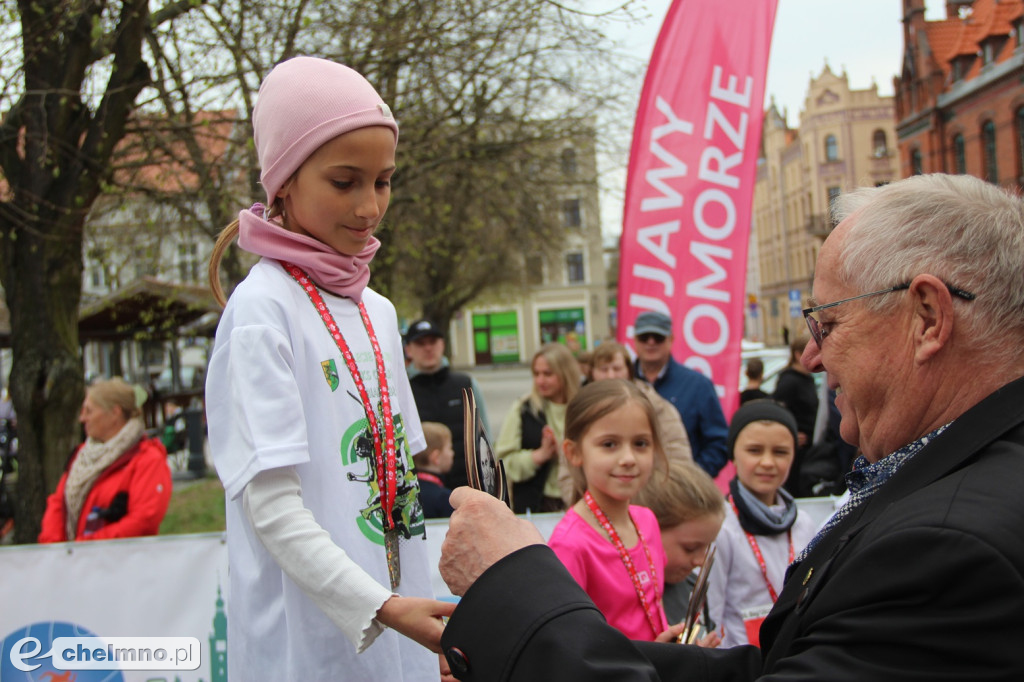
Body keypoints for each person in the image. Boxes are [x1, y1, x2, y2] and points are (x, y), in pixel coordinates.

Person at [437, 173, 1024, 680]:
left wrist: (513, 591)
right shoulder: (960, 493)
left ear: (927, 318)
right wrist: (507, 639)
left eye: (827, 323)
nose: (812, 359)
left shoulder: (949, 548)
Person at [205, 57, 452, 681]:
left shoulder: (379, 310)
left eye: (384, 181)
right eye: (345, 182)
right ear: (283, 181)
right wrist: (384, 607)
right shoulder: (262, 309)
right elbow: (275, 512)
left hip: (404, 637)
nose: (370, 207)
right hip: (310, 650)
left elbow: (398, 488)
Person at [546, 379, 673, 641]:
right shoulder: (570, 545)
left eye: (640, 443)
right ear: (574, 452)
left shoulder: (646, 520)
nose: (628, 459)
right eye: (609, 444)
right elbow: (569, 646)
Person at [707, 400, 816, 648]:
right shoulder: (721, 526)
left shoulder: (804, 524)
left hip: (790, 654)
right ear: (733, 453)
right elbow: (712, 611)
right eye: (754, 451)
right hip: (738, 663)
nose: (767, 462)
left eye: (780, 452)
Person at [38, 378, 171, 542]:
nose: (82, 418)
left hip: (119, 562)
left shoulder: (147, 460)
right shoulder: (81, 456)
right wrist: (56, 548)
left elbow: (144, 520)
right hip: (74, 562)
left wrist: (85, 547)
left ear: (115, 412)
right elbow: (58, 503)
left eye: (89, 411)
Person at [632, 311, 729, 478]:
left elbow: (719, 442)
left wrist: (692, 478)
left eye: (658, 337)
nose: (651, 342)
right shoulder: (622, 384)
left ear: (671, 339)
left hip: (682, 495)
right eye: (644, 337)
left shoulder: (698, 385)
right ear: (635, 341)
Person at [632, 459, 725, 625]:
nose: (700, 561)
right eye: (690, 548)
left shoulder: (692, 589)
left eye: (707, 547)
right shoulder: (622, 598)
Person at [405, 318, 490, 490]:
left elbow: (485, 438)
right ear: (408, 349)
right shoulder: (402, 390)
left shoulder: (466, 384)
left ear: (442, 344)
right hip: (423, 493)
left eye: (433, 342)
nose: (428, 348)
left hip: (468, 489)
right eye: (420, 343)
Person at [494, 342, 580, 513]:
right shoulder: (524, 409)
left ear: (566, 373)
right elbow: (503, 464)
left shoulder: (584, 407)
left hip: (579, 501)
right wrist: (538, 456)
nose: (540, 380)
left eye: (548, 374)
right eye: (536, 374)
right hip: (537, 505)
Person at [589, 341, 693, 465]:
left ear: (629, 370)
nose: (611, 375)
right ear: (592, 373)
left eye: (617, 369)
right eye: (603, 369)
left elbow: (678, 456)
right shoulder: (583, 407)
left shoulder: (654, 405)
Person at [771, 336, 819, 496]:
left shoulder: (807, 379)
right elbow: (777, 412)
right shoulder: (789, 381)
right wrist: (791, 435)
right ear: (798, 355)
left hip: (808, 449)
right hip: (797, 450)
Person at [414, 422, 455, 519]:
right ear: (436, 457)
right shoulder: (445, 498)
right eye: (450, 448)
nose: (452, 453)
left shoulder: (408, 493)